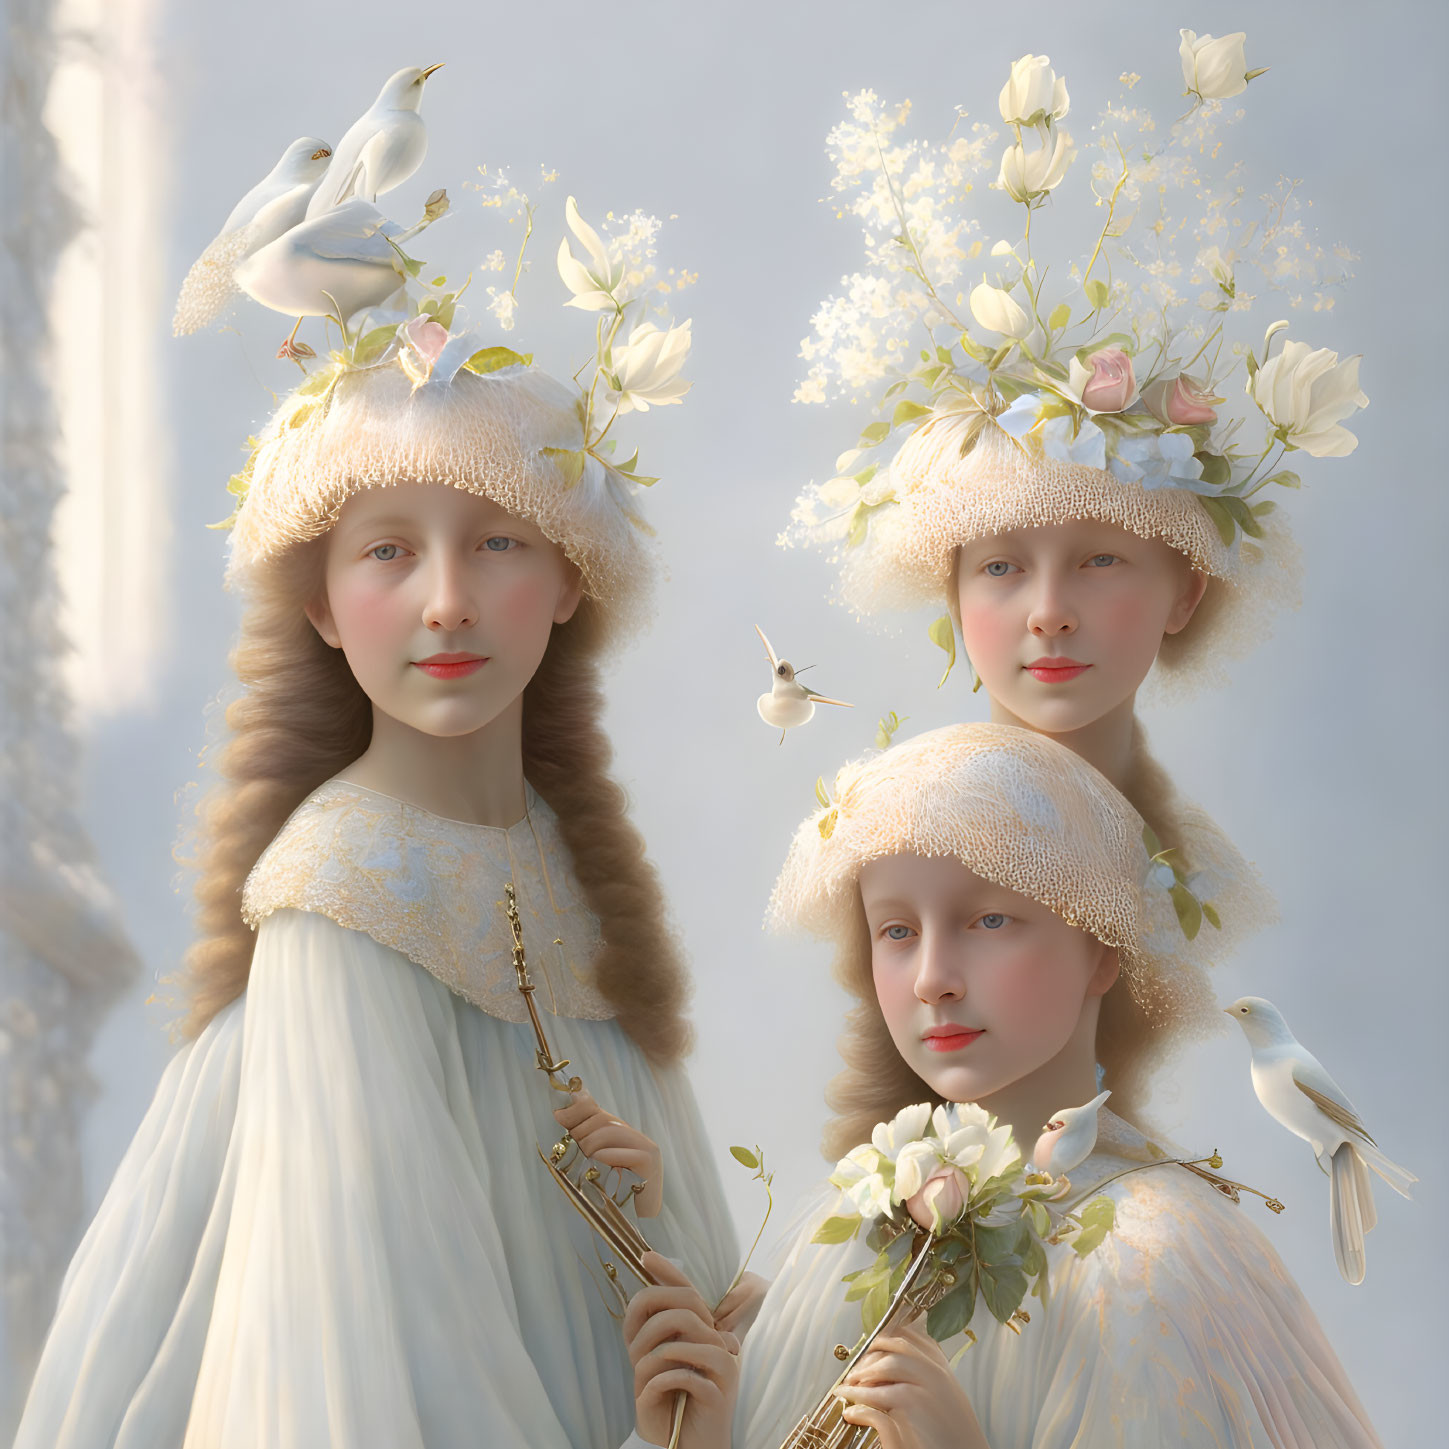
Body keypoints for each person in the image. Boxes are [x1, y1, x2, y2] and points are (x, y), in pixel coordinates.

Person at [15, 181, 741, 1449]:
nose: (447, 603)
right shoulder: (339, 900)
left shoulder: (568, 874)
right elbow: (375, 1372)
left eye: (498, 545)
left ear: (568, 577)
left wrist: (649, 1231)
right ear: (319, 602)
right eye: (389, 551)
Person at [623, 724, 1383, 1447]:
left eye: (988, 920)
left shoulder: (1151, 1259)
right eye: (896, 930)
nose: (931, 980)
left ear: (1100, 947)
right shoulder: (862, 1218)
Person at [785, 45, 1367, 961]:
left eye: (1100, 559)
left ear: (1186, 590)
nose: (1048, 614)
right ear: (952, 592)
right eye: (1001, 567)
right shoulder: (897, 839)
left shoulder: (1207, 881)